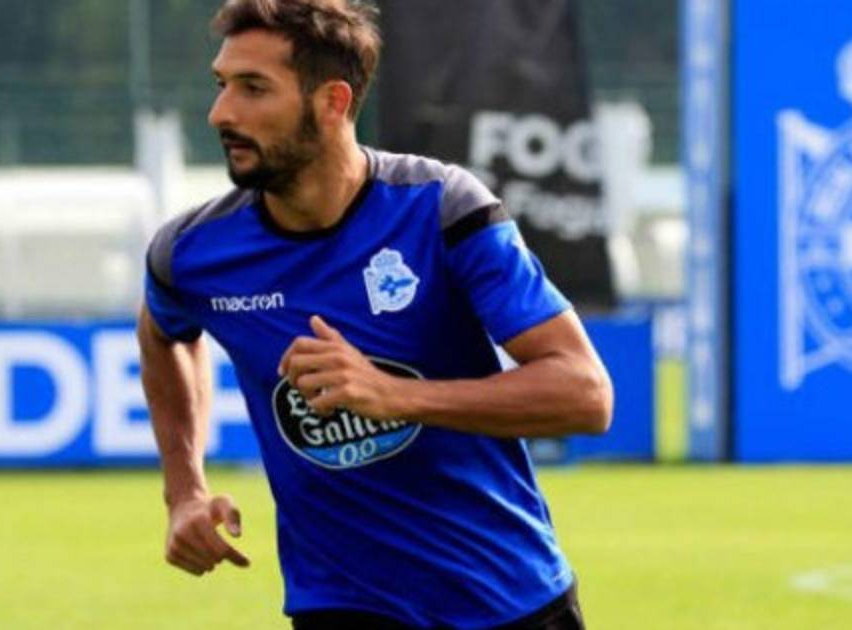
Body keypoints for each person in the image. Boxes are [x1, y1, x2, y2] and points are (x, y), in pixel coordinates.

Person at [138, 0, 613, 628]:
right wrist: (184, 492)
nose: (221, 113)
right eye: (221, 85)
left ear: (332, 102)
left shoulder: (440, 209)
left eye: (254, 88)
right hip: (340, 605)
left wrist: (395, 396)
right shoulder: (192, 253)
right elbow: (164, 335)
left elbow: (585, 395)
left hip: (506, 600)